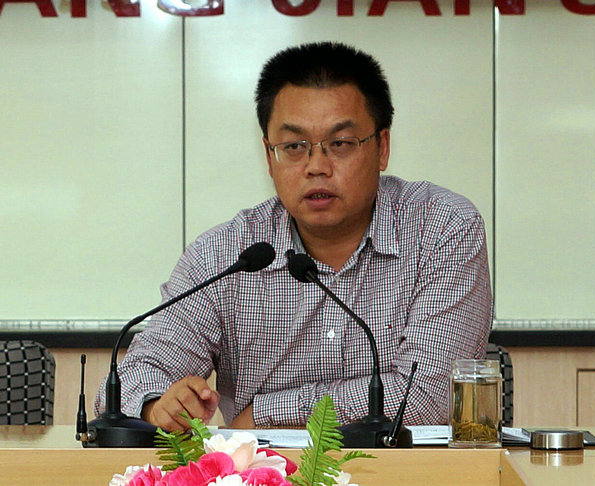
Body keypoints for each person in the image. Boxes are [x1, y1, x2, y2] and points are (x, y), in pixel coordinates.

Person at [95, 41, 492, 432]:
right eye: (294, 146)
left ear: (382, 147)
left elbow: (429, 394)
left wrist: (265, 414)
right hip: (267, 469)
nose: (316, 166)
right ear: (269, 157)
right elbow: (132, 378)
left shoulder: (441, 229)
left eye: (340, 144)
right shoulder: (226, 254)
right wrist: (157, 406)